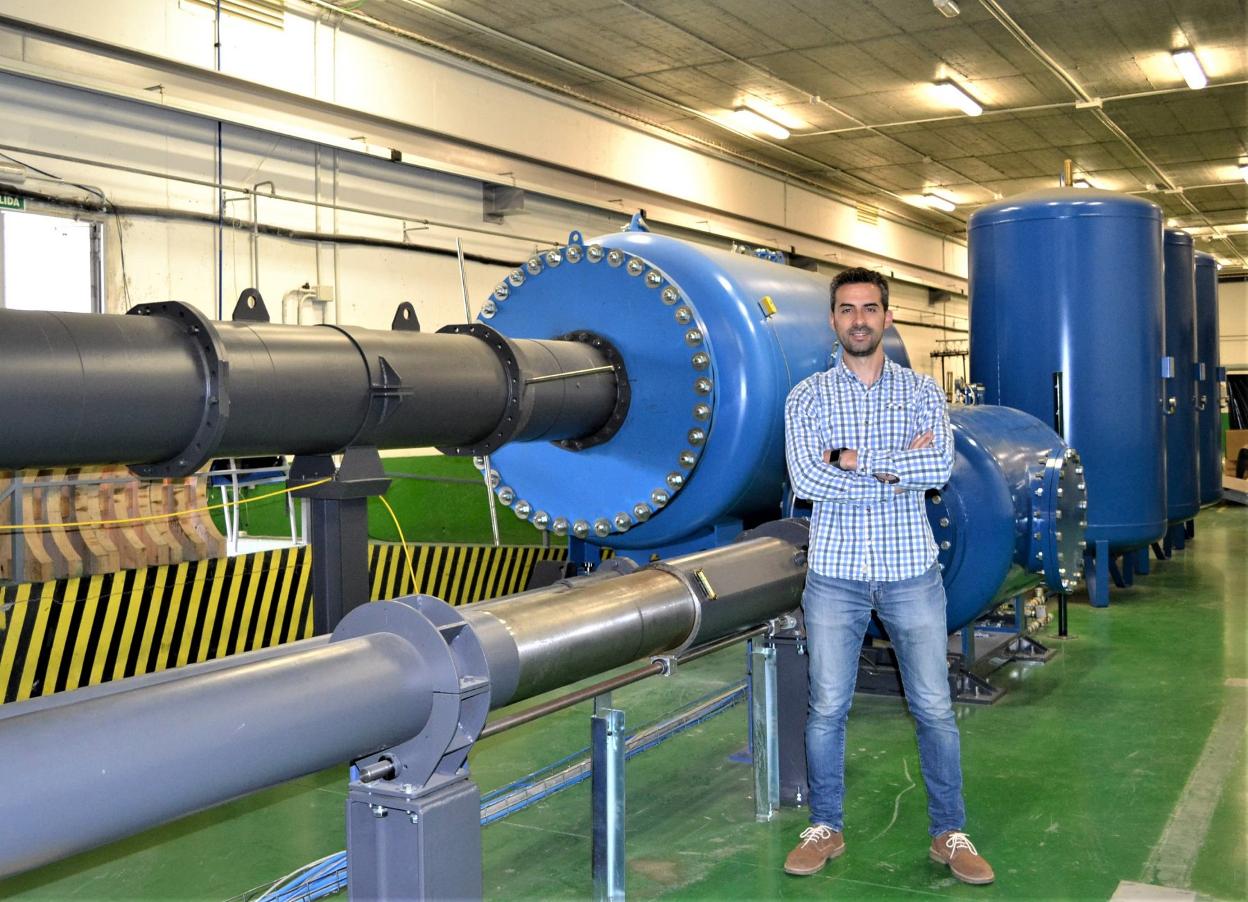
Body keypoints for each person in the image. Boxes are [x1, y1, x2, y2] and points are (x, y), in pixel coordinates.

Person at [780, 267, 993, 886]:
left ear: (888, 317)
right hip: (836, 575)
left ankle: (949, 833)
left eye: (870, 308)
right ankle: (826, 825)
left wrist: (853, 459)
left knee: (934, 707)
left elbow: (936, 468)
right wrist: (891, 465)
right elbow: (808, 480)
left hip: (909, 571)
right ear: (833, 320)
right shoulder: (808, 398)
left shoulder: (923, 390)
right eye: (847, 309)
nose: (859, 319)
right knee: (827, 708)